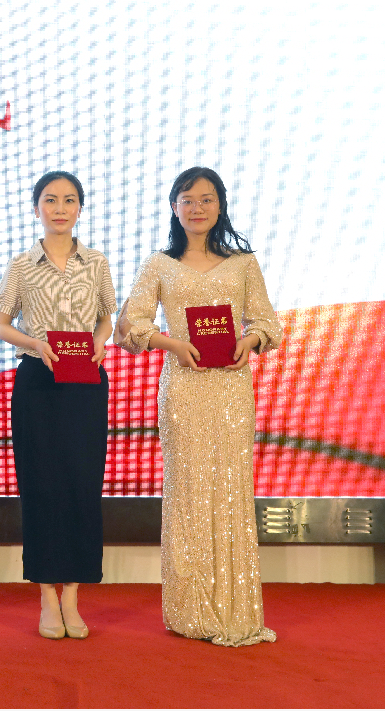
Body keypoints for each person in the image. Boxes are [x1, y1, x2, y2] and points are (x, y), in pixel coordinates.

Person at [117, 167, 281, 646]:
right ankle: (190, 611)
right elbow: (131, 327)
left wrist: (250, 340)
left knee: (230, 490)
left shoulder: (243, 263)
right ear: (174, 207)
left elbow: (267, 323)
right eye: (187, 200)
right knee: (188, 493)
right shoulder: (159, 265)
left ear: (220, 205)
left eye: (206, 199)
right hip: (184, 389)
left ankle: (235, 608)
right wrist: (171, 343)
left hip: (232, 389)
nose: (197, 208)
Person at [0, 171, 115, 640]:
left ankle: (73, 597)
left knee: (82, 485)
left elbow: (106, 317)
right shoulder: (22, 265)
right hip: (38, 380)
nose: (59, 208)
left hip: (86, 379)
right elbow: (1, 324)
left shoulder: (97, 262)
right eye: (50, 200)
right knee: (41, 486)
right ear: (36, 207)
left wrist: (101, 342)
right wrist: (35, 343)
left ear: (80, 207)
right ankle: (47, 595)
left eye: (68, 200)